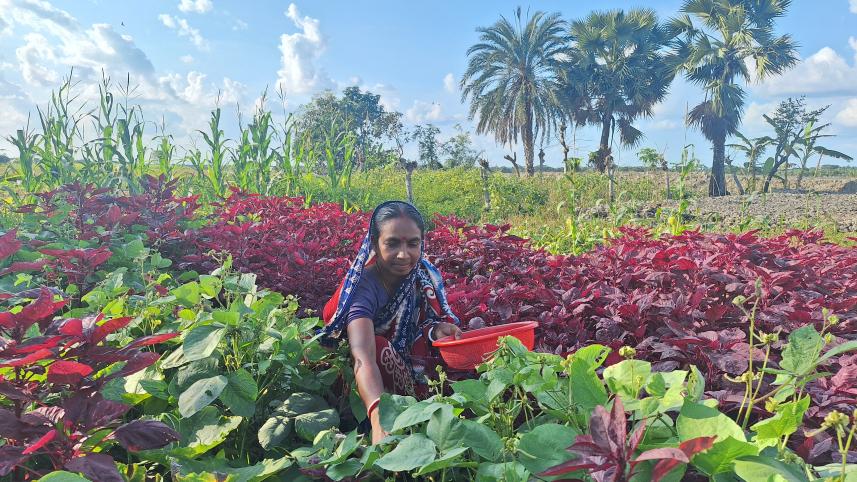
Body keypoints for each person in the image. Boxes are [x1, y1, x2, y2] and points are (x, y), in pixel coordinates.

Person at [321, 201, 462, 445]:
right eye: (392, 243)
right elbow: (363, 356)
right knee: (378, 346)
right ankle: (393, 420)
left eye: (413, 244)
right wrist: (378, 416)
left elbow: (422, 321)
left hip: (400, 360)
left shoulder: (420, 275)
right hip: (356, 374)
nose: (403, 254)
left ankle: (428, 411)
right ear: (375, 243)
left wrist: (434, 330)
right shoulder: (363, 288)